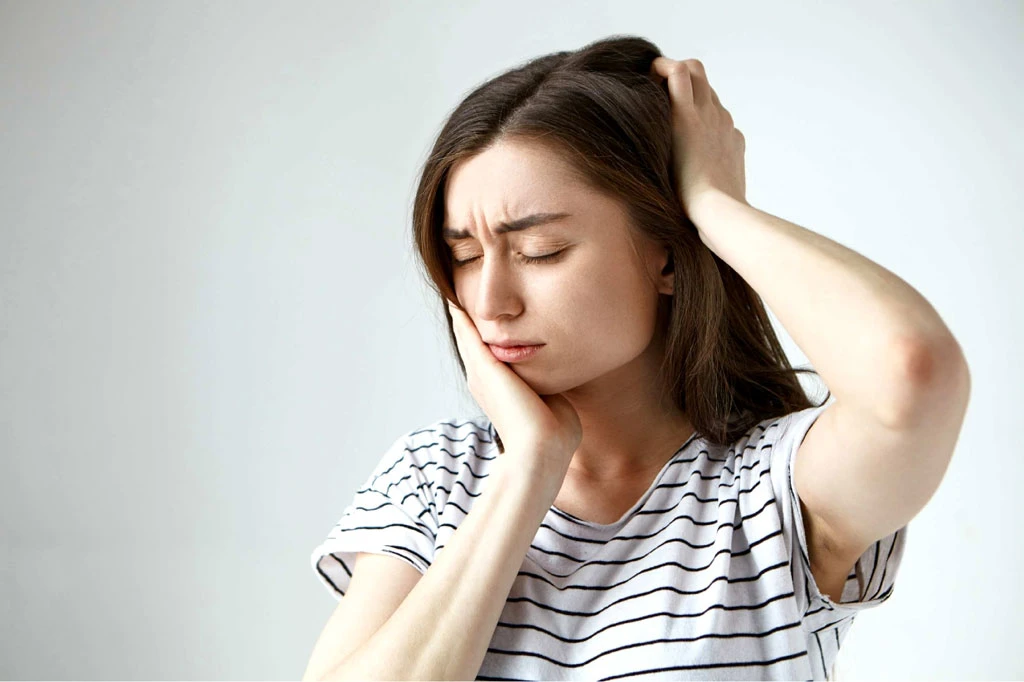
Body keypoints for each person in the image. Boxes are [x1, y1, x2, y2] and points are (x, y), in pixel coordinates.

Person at [302, 34, 949, 681]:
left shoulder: (768, 490)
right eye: (465, 257)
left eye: (541, 250)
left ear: (665, 251)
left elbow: (910, 371)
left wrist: (716, 208)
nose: (490, 300)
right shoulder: (437, 476)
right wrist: (530, 465)